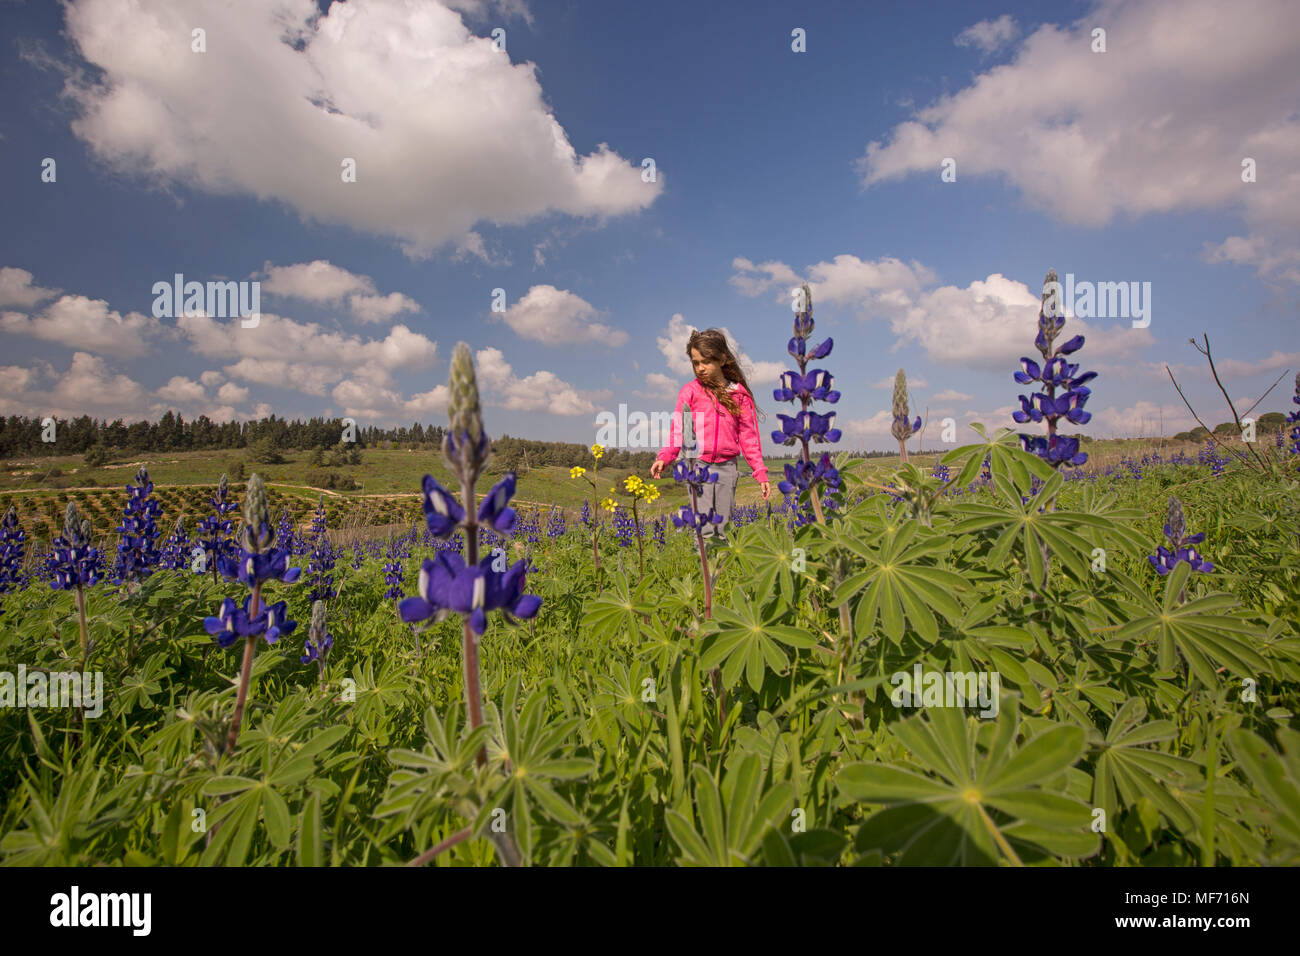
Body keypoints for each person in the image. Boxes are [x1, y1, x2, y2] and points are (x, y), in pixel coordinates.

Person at [650, 329, 770, 544]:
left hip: (728, 467)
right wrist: (665, 456)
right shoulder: (691, 391)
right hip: (698, 465)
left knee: (724, 527)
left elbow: (748, 436)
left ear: (722, 359)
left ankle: (722, 574)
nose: (700, 368)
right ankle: (704, 573)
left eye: (705, 362)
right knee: (703, 528)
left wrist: (759, 472)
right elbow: (679, 430)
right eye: (695, 363)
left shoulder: (738, 394)